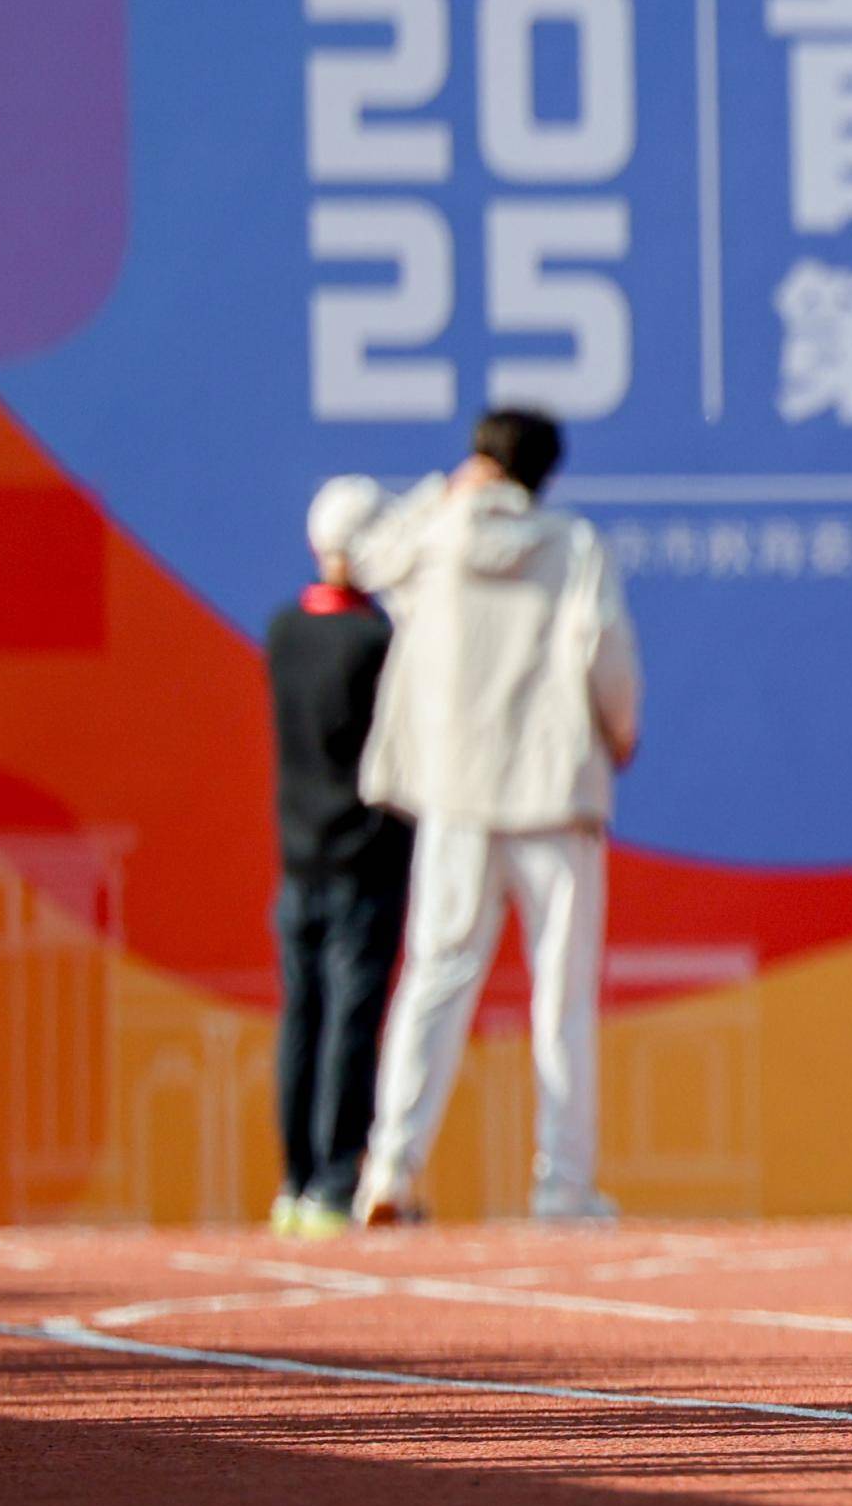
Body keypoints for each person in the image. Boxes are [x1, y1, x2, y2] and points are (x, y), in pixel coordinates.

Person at [343, 408, 646, 1228]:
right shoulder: (573, 545)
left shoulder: (436, 536)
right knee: (562, 996)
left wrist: (442, 492)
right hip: (552, 790)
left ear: (479, 461)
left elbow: (364, 559)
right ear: (545, 473)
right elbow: (602, 647)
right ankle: (563, 1185)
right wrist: (620, 730)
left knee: (436, 981)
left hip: (459, 794)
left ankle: (390, 1171)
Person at [260, 472, 412, 1235]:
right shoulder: (377, 640)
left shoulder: (285, 628)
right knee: (351, 1021)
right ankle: (332, 1179)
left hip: (298, 857)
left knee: (304, 1018)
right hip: (366, 855)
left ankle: (295, 1180)